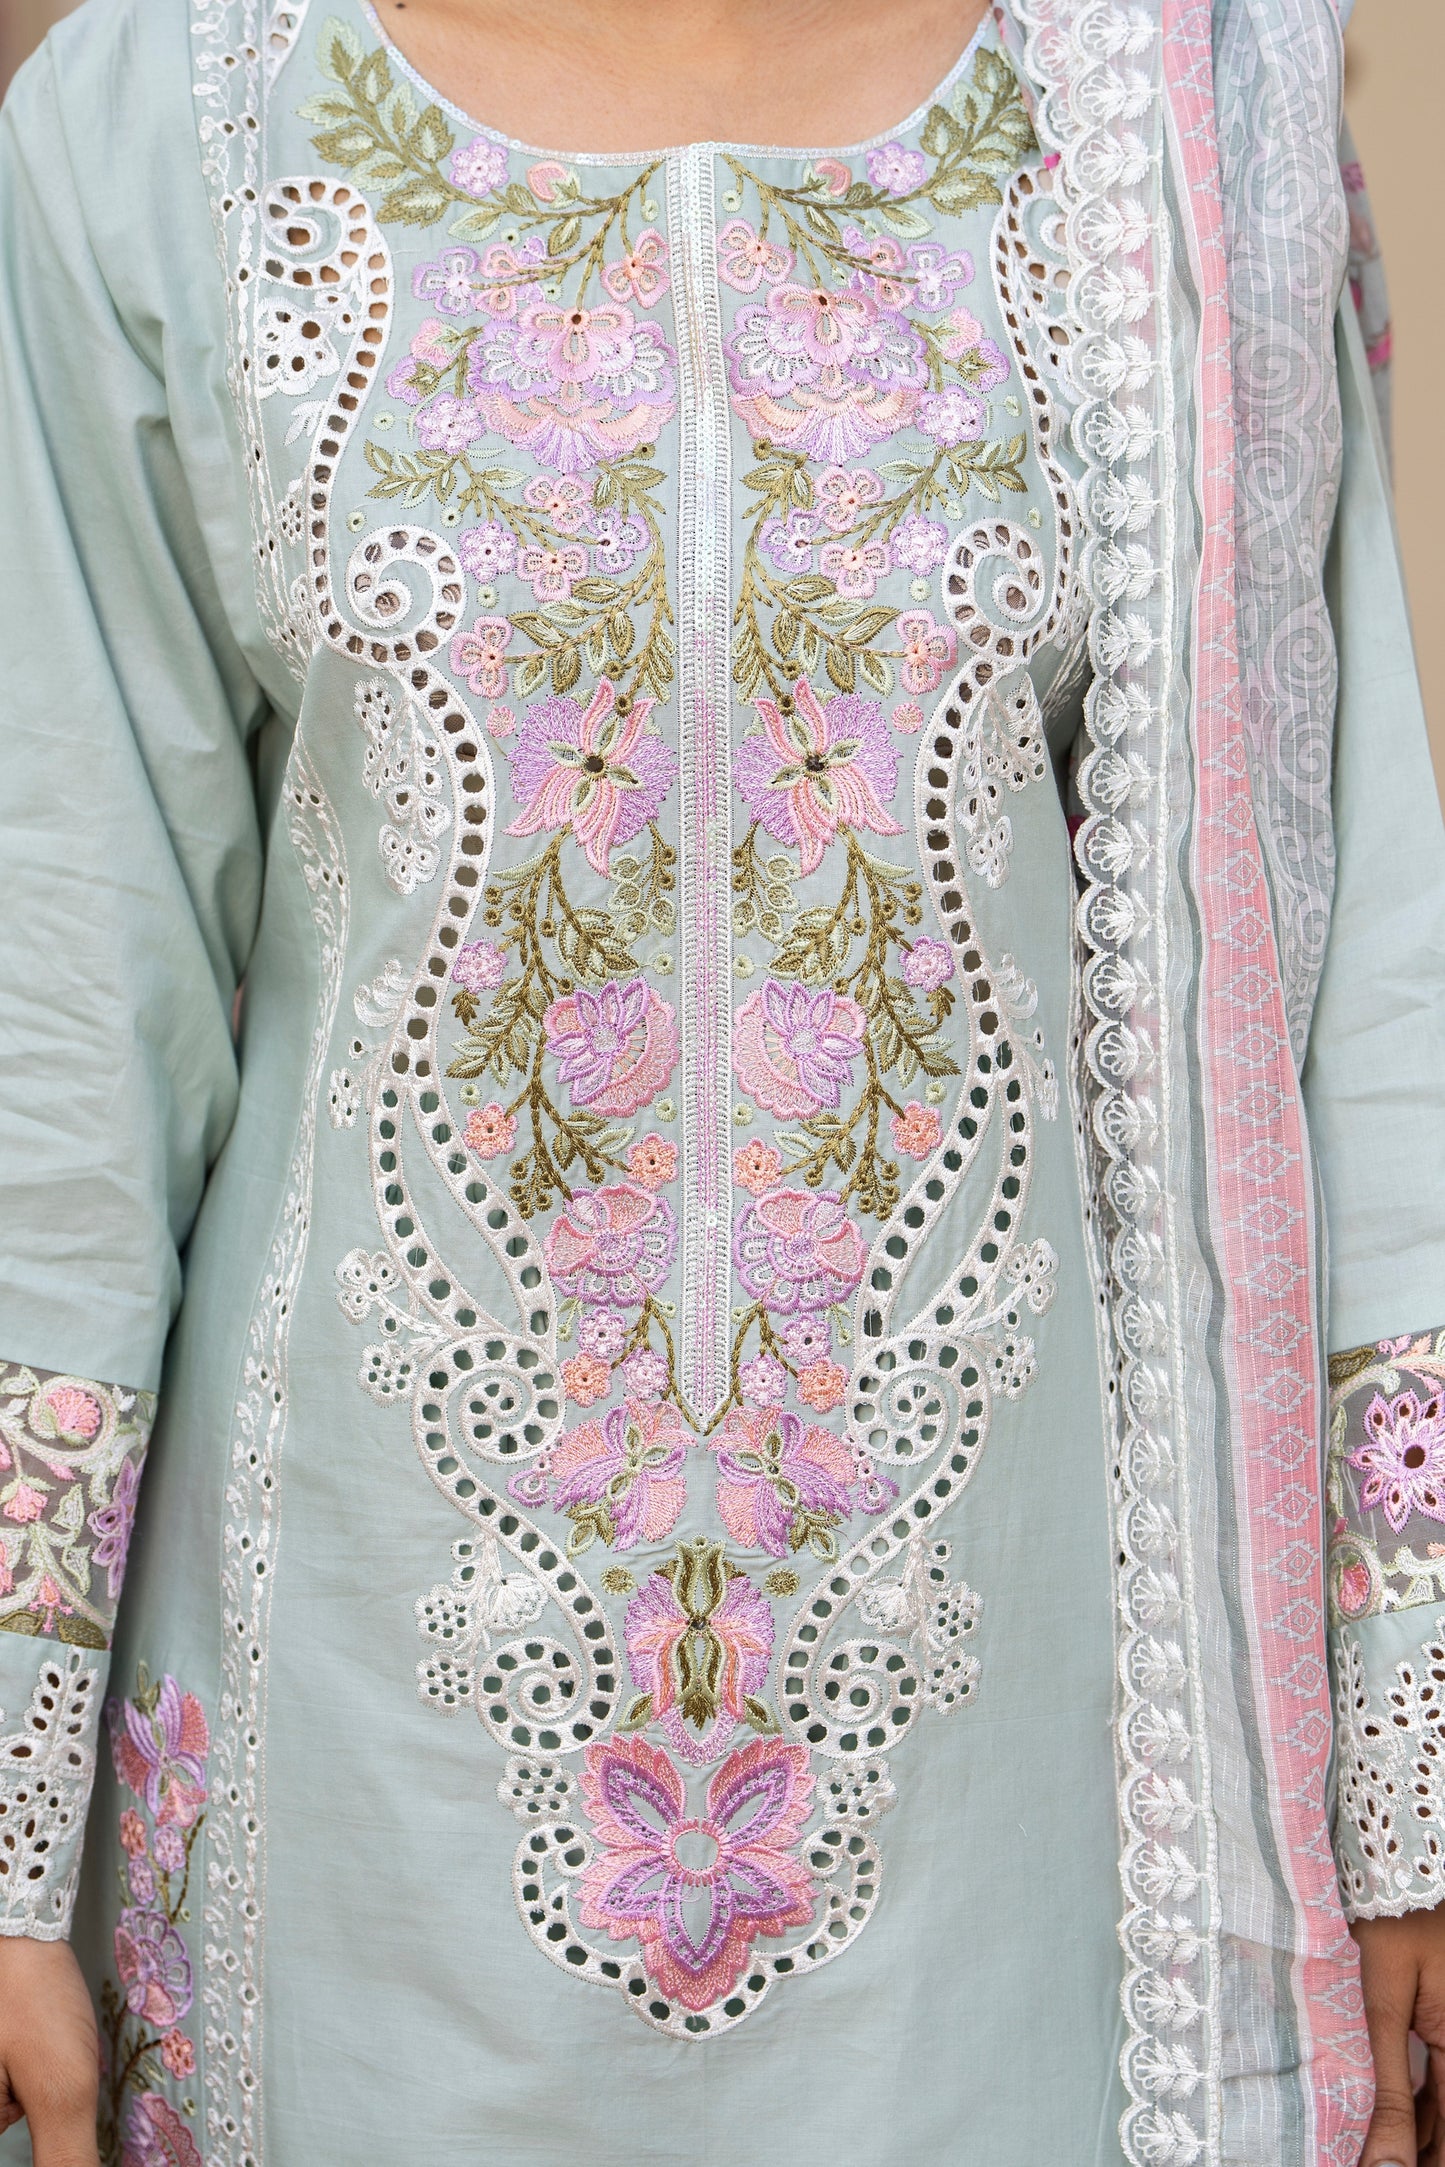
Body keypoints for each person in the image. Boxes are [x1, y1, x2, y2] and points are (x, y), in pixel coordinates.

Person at [0, 0, 1441, 2160]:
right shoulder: (163, 117)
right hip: (350, 1795)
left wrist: (1410, 1750)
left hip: (1053, 1808)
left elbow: (1351, 981)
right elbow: (61, 1014)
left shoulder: (1171, 105)